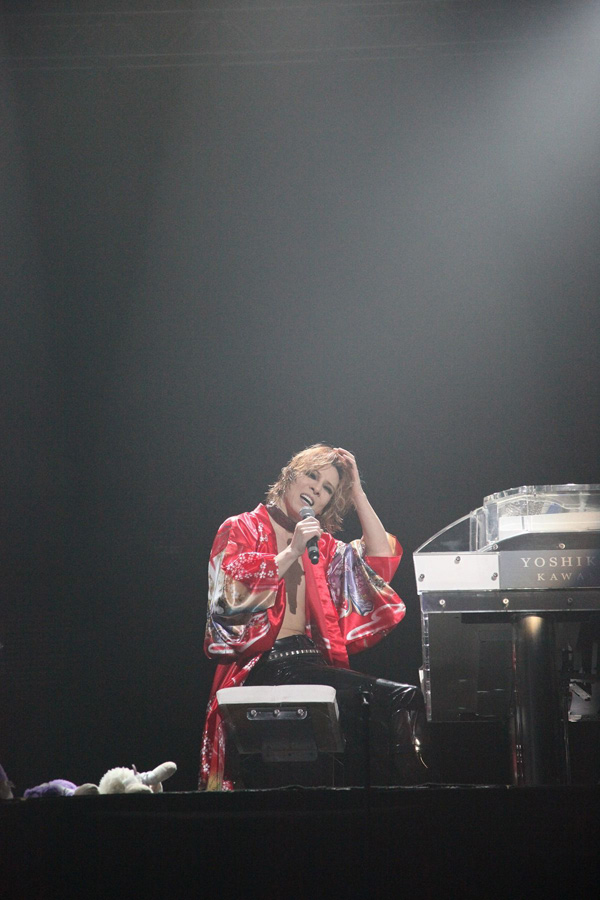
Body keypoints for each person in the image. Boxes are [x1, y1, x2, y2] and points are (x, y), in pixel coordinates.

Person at [199, 444, 427, 790]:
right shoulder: (242, 527)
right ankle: (403, 802)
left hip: (311, 664)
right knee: (397, 699)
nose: (316, 490)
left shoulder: (322, 546)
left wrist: (357, 492)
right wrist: (291, 551)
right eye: (312, 476)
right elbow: (228, 596)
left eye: (328, 489)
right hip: (265, 664)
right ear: (290, 476)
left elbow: (380, 559)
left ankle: (388, 802)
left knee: (401, 703)